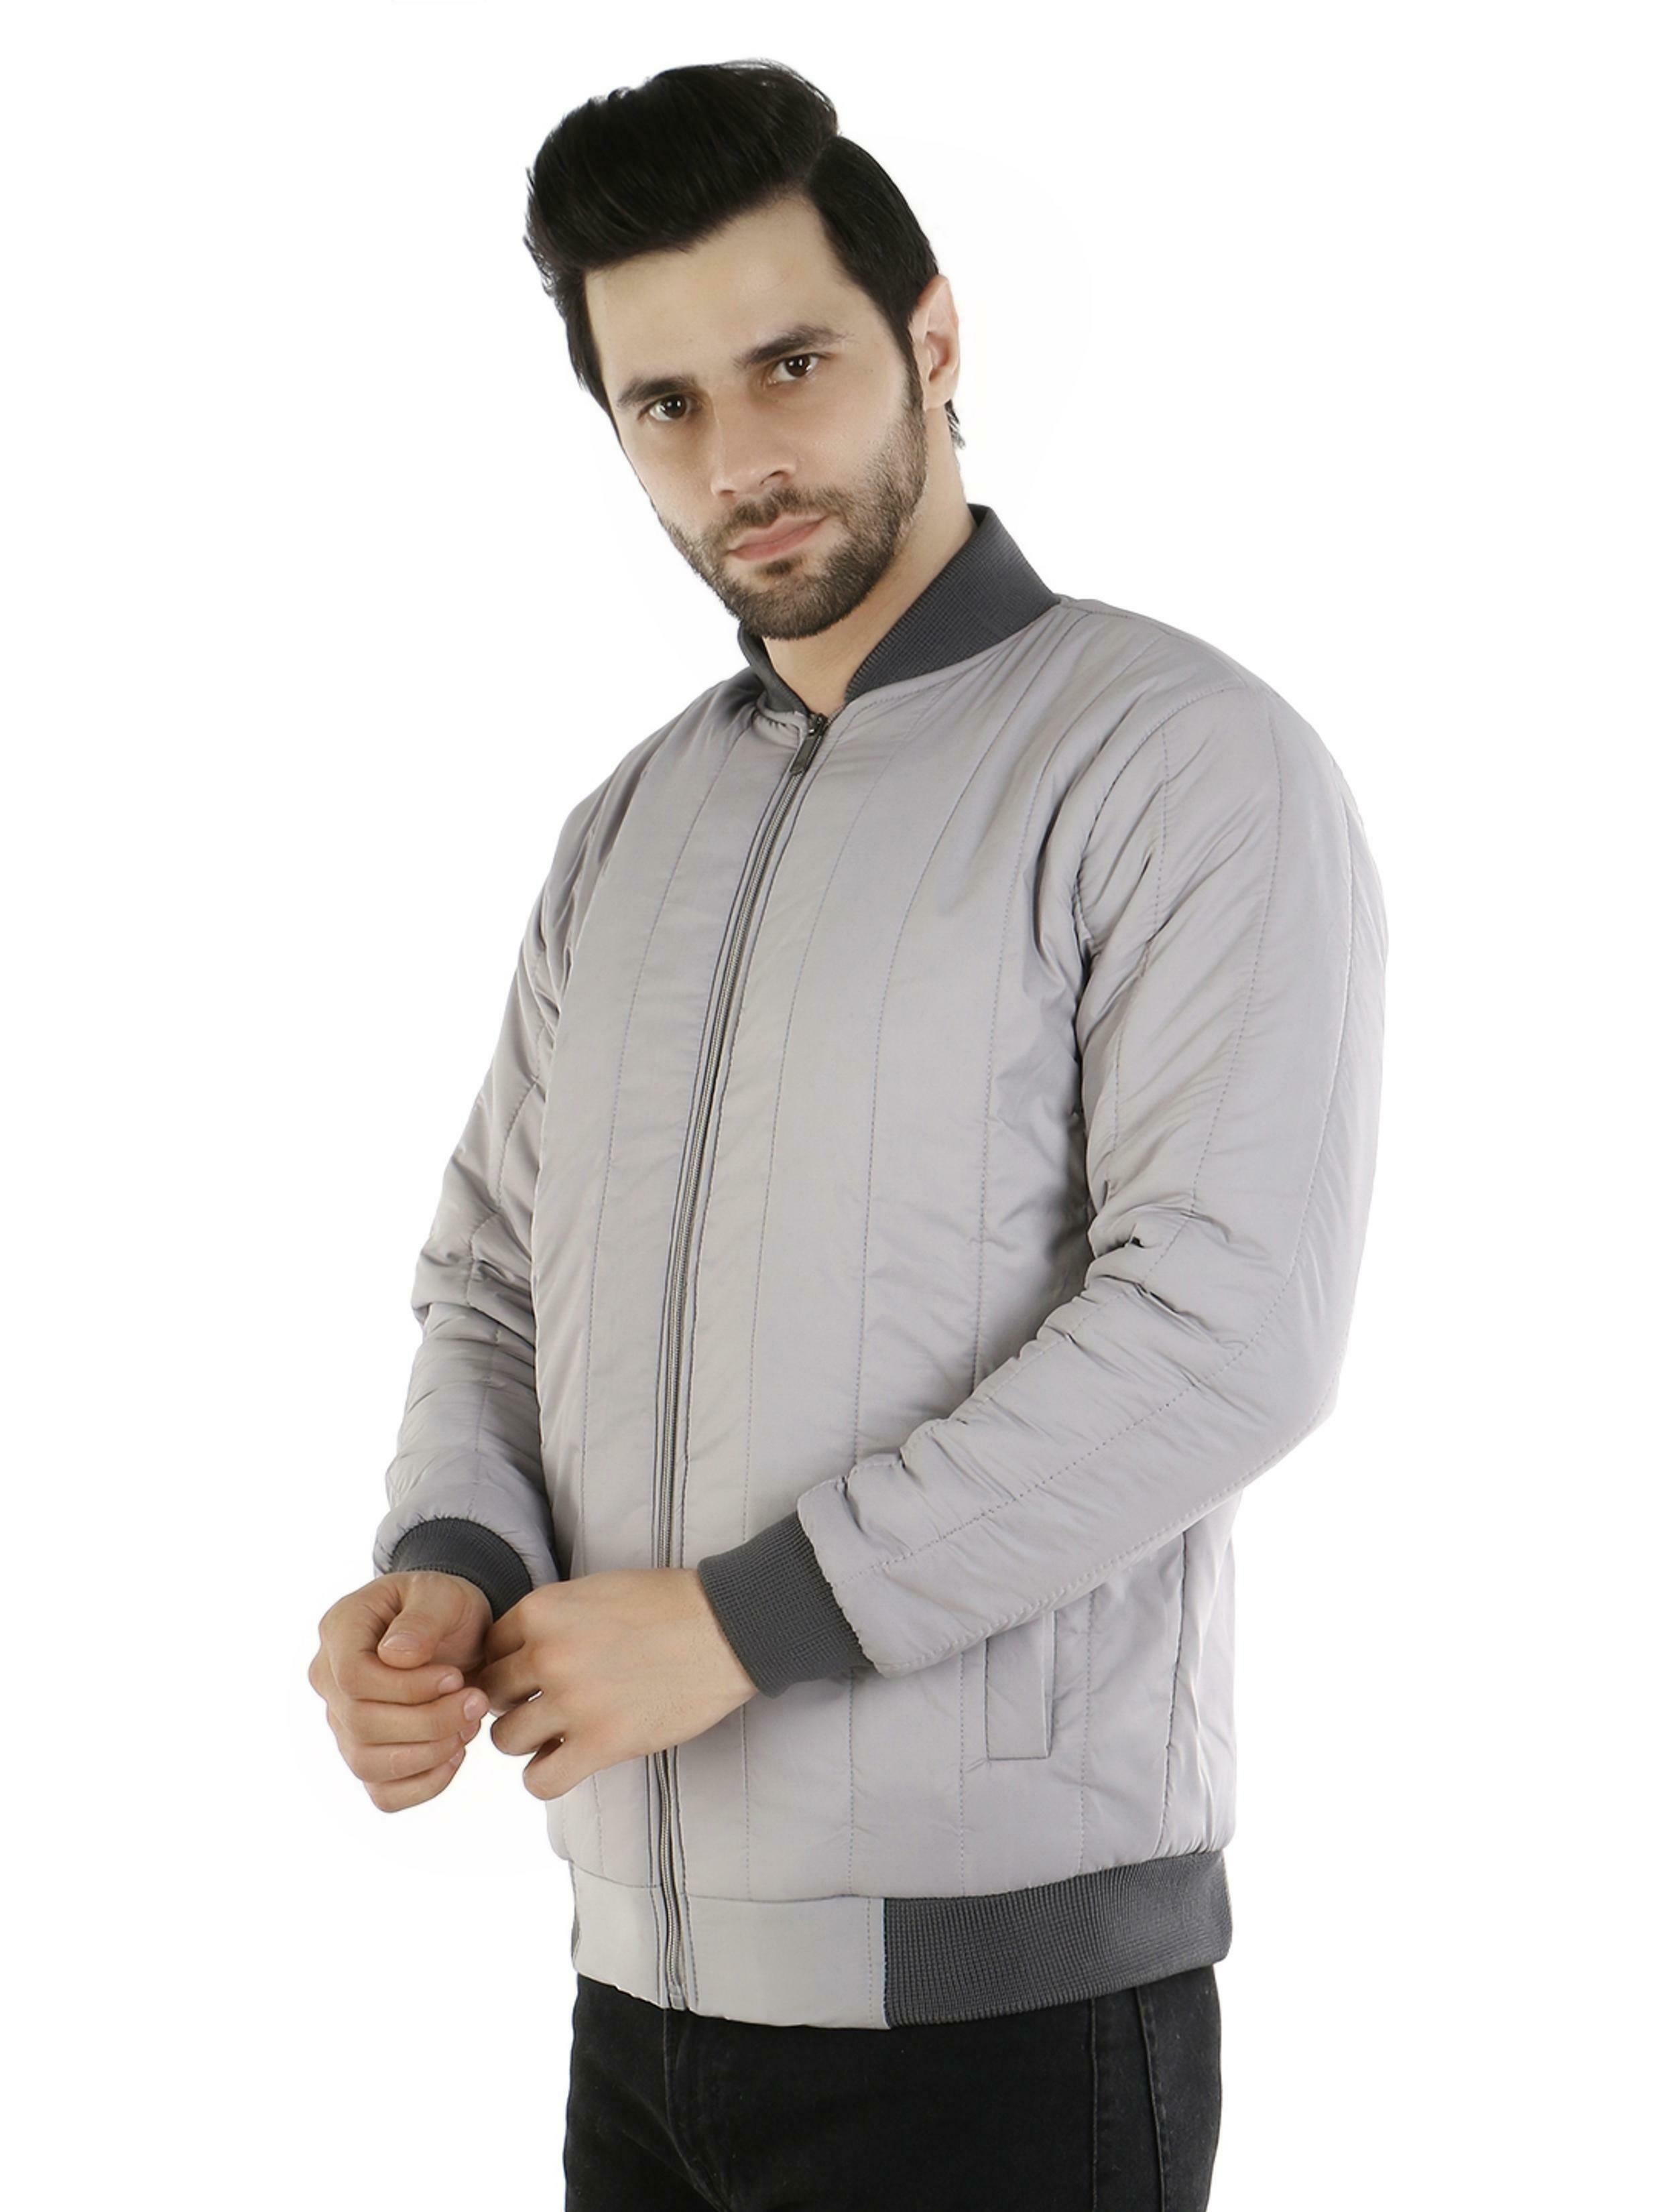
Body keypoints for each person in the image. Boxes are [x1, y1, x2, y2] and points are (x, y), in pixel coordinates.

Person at [308, 58, 1387, 2212]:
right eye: (665, 403)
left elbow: (1223, 1328)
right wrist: (453, 1562)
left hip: (1006, 2031)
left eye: (789, 366)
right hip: (638, 2003)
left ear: (932, 337)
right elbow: (493, 1277)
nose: (739, 459)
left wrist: (740, 1619)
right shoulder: (627, 828)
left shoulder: (1176, 762)